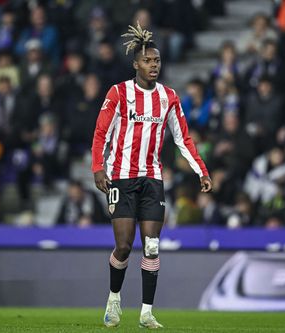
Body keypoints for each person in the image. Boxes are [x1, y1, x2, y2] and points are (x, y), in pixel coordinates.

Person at [91, 23, 212, 329]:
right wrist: (98, 167)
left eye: (157, 61)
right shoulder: (119, 93)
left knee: (152, 245)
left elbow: (183, 138)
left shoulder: (169, 97)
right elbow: (101, 132)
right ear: (136, 64)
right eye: (148, 61)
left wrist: (202, 170)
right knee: (123, 245)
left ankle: (146, 312)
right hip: (120, 177)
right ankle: (114, 300)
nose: (154, 65)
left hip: (152, 178)